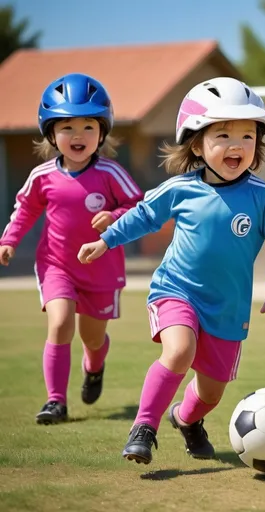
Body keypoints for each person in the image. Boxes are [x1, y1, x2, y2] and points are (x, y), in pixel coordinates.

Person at [78, 77, 265, 465]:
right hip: (176, 291)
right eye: (224, 135)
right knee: (179, 351)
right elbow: (144, 215)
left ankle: (185, 419)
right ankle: (143, 429)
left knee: (211, 394)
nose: (237, 145)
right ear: (196, 143)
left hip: (228, 310)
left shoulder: (262, 197)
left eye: (247, 136)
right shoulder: (180, 188)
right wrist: (107, 239)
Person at [0, 73, 143, 424]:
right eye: (66, 127)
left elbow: (139, 206)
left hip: (101, 269)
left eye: (87, 127)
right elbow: (26, 209)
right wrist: (8, 240)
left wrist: (114, 215)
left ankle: (94, 367)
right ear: (51, 134)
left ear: (102, 132)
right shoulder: (42, 175)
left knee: (92, 339)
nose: (77, 136)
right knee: (60, 323)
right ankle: (56, 401)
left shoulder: (111, 172)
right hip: (56, 265)